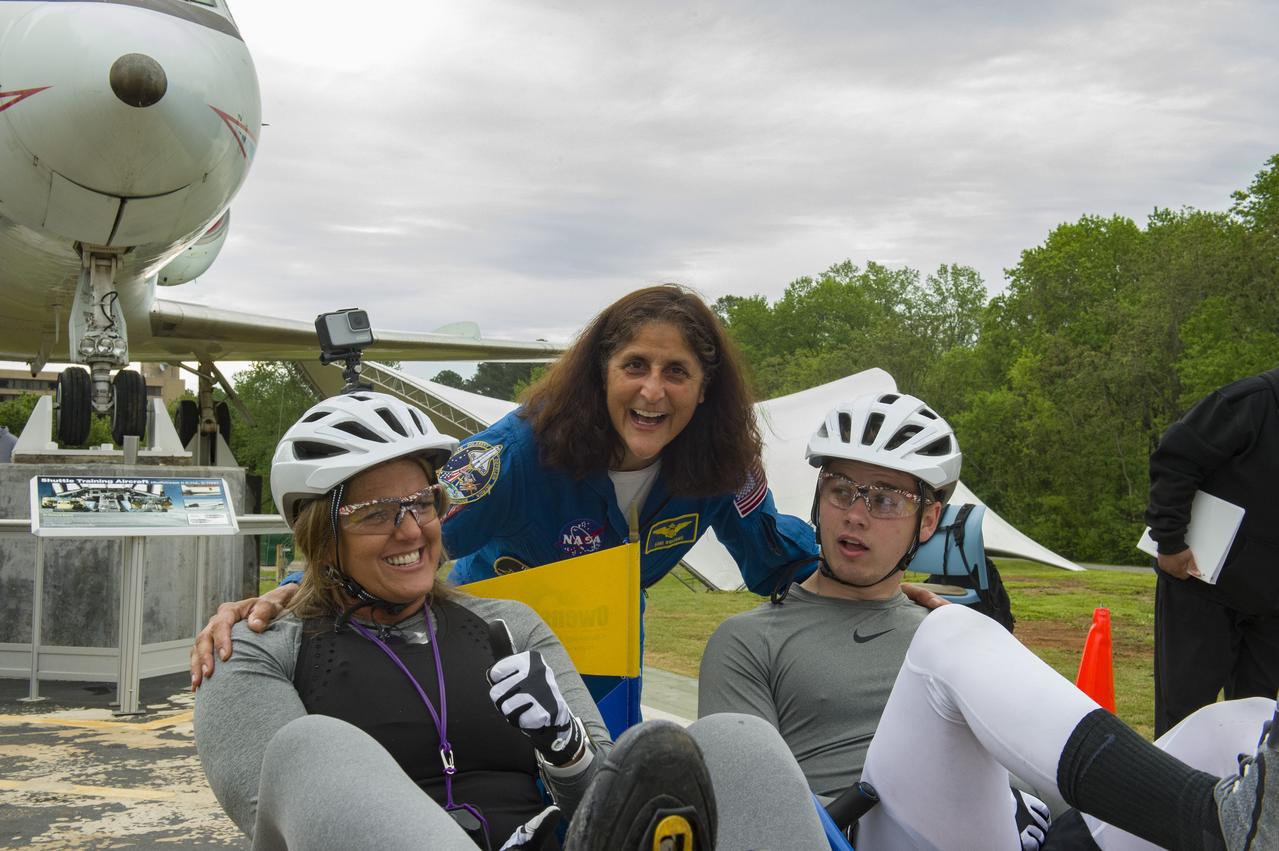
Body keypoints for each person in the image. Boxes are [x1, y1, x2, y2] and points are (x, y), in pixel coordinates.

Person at [191, 285, 872, 689]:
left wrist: (875, 587)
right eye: (634, 364)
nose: (652, 390)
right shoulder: (513, 455)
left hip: (609, 669)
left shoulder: (724, 465)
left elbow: (774, 557)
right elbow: (402, 532)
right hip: (489, 663)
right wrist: (286, 597)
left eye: (677, 371)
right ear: (600, 372)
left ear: (705, 390)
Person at [699, 391, 1279, 850]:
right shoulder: (750, 639)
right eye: (841, 489)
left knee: (1244, 721)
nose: (856, 514)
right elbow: (747, 805)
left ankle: (1219, 821)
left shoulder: (951, 628)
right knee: (951, 636)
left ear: (928, 522)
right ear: (817, 498)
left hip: (1017, 831)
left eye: (887, 499)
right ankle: (1204, 818)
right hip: (854, 833)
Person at [193, 392, 718, 851]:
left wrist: (567, 749)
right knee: (313, 748)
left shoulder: (509, 626)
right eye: (377, 513)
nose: (412, 532)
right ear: (319, 535)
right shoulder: (258, 648)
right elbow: (291, 825)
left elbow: (609, 811)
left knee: (735, 745)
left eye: (422, 503)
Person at [1145, 366, 1279, 736]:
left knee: (1256, 725)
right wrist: (1170, 540)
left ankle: (1245, 796)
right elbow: (1175, 459)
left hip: (1270, 610)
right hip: (1200, 586)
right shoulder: (1251, 402)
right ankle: (1169, 796)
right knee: (1185, 717)